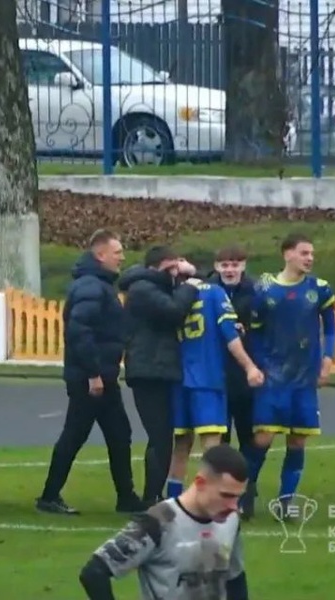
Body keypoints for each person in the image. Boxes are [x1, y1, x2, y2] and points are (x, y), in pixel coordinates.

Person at [38, 229, 145, 515]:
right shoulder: (91, 287)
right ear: (100, 255)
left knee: (118, 433)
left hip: (101, 375)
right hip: (91, 378)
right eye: (117, 252)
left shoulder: (98, 285)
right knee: (76, 435)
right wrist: (93, 373)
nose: (122, 257)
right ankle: (49, 496)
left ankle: (126, 497)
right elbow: (79, 331)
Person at [78, 444, 251, 600]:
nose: (234, 506)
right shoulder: (157, 522)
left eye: (238, 497)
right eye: (226, 495)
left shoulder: (230, 520)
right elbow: (94, 573)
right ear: (200, 483)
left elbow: (235, 579)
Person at [243, 233, 335, 519]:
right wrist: (260, 365)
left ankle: (286, 502)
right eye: (304, 253)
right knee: (263, 437)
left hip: (304, 378)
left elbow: (331, 328)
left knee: (297, 440)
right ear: (287, 254)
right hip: (274, 378)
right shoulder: (265, 290)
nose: (310, 258)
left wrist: (328, 359)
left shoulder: (319, 289)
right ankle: (244, 493)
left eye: (312, 254)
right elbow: (255, 332)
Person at [165, 278, 264, 500]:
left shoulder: (175, 292)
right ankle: (208, 500)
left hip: (179, 379)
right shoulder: (215, 293)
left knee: (181, 446)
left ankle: (173, 500)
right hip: (207, 378)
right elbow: (230, 335)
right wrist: (249, 366)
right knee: (211, 447)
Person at [118, 246, 200, 505]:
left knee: (163, 437)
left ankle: (152, 495)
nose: (175, 273)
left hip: (158, 369)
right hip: (150, 370)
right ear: (154, 268)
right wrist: (190, 286)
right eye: (170, 268)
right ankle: (151, 497)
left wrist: (190, 277)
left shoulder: (154, 286)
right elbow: (174, 311)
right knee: (160, 438)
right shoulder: (143, 289)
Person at [208, 245, 258, 454]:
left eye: (235, 265)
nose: (229, 270)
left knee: (249, 433)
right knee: (220, 433)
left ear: (243, 266)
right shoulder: (207, 290)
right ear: (216, 266)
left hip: (246, 369)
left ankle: (248, 474)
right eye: (225, 265)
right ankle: (222, 473)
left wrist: (246, 328)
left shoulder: (255, 290)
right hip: (217, 369)